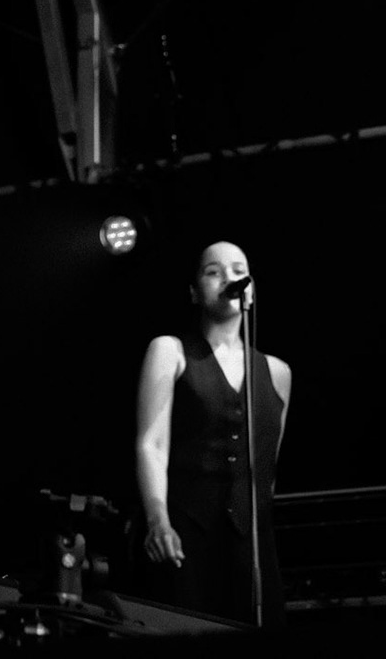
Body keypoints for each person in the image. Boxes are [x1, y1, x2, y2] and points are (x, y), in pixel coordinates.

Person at [135, 241, 292, 626]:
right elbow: (152, 444)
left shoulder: (277, 372)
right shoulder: (170, 351)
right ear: (193, 291)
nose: (229, 279)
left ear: (251, 287)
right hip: (188, 536)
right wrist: (158, 519)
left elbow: (267, 466)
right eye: (214, 271)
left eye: (239, 270)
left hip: (252, 547)